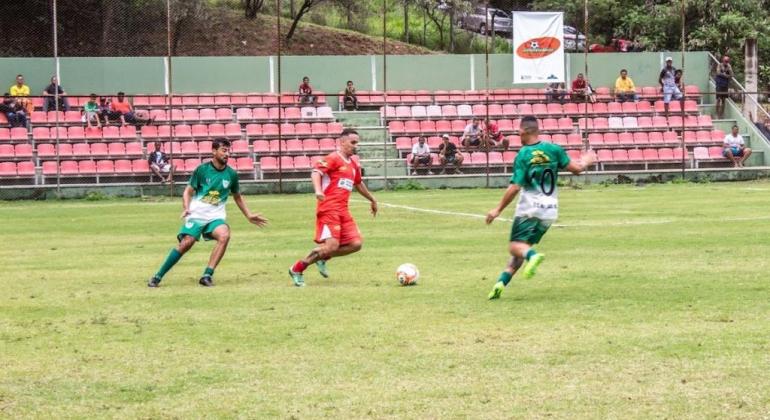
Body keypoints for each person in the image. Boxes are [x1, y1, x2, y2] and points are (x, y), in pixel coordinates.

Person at [485, 116, 596, 300]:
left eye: (519, 131)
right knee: (523, 247)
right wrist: (587, 160)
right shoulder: (553, 149)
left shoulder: (523, 154)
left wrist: (497, 210)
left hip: (529, 207)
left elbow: (515, 186)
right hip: (549, 211)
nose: (517, 134)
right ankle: (501, 283)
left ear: (526, 131)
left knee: (515, 247)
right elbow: (576, 168)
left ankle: (533, 256)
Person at [148, 138, 268, 288]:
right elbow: (188, 192)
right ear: (214, 151)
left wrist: (249, 215)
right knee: (186, 243)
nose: (227, 154)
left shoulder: (231, 174)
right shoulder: (202, 170)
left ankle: (207, 275)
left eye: (228, 150)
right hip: (197, 214)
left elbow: (237, 196)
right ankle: (157, 276)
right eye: (224, 150)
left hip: (215, 217)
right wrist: (186, 208)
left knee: (224, 235)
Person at [288, 128, 378, 287]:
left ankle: (323, 257)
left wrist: (372, 199)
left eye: (357, 143)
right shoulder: (333, 158)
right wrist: (318, 190)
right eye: (353, 142)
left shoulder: (354, 164)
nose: (356, 146)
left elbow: (358, 183)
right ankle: (297, 268)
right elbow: (316, 172)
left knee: (355, 244)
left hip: (343, 210)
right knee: (331, 246)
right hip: (329, 208)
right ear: (342, 142)